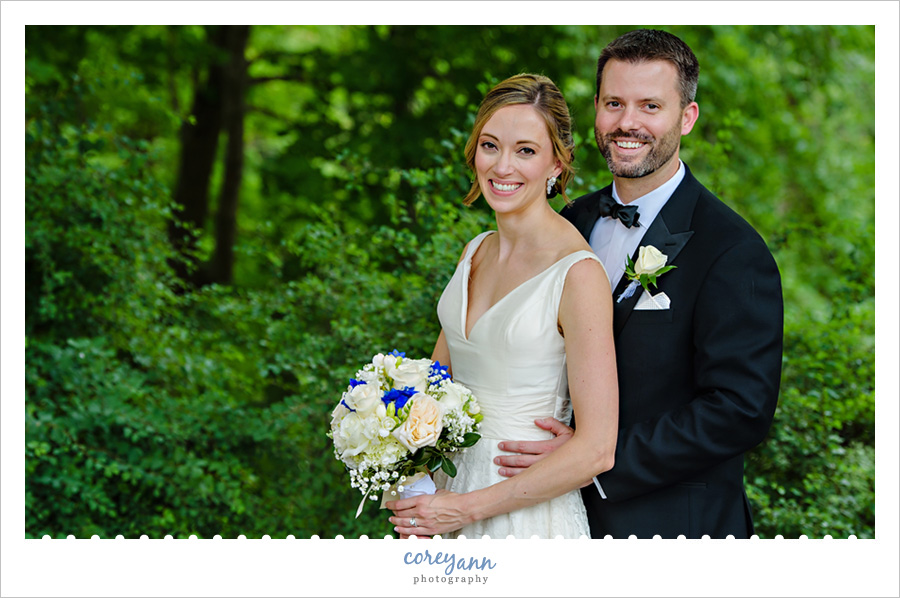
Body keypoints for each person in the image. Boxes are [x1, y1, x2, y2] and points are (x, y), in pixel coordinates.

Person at [495, 29, 784, 539]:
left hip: (671, 529)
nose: (627, 123)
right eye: (614, 103)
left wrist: (595, 458)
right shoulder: (568, 223)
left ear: (686, 117)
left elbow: (739, 409)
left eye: (650, 105)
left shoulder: (732, 250)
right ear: (597, 110)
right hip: (545, 518)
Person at [386, 73, 619, 538]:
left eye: (526, 150)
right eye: (490, 145)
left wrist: (467, 509)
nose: (502, 166)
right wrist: (400, 466)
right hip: (444, 491)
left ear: (558, 163)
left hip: (522, 510)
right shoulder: (475, 250)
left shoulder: (578, 274)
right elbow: (435, 388)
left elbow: (597, 449)